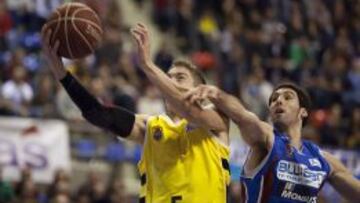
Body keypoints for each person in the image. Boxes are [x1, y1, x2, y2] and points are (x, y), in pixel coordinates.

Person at [42, 23, 230, 203]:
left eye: (180, 78)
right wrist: (61, 74)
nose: (169, 82)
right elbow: (98, 114)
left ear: (200, 90)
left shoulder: (216, 118)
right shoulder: (151, 126)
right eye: (167, 77)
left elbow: (188, 108)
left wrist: (147, 65)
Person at [185, 83, 360, 202]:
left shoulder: (323, 160)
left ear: (303, 112)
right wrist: (216, 93)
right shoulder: (267, 139)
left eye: (287, 97)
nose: (278, 100)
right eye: (274, 98)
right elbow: (242, 116)